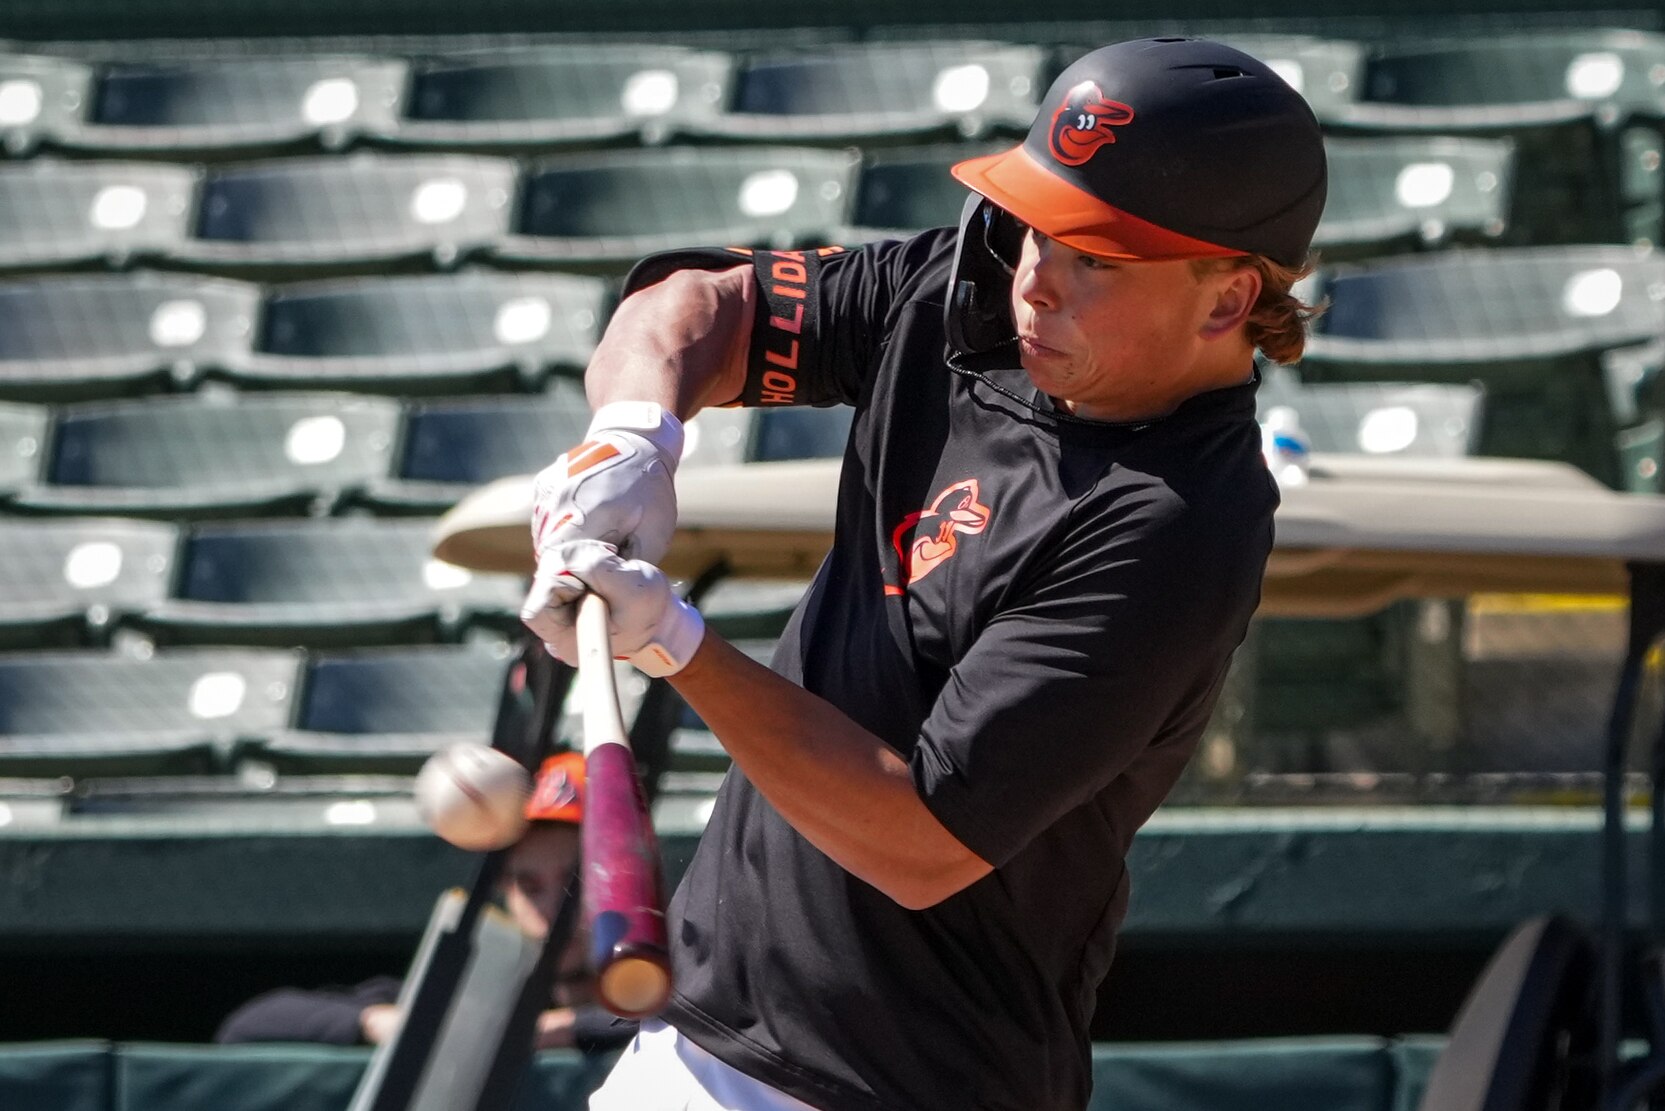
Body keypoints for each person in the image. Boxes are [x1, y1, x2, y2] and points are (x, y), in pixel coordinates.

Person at [519, 36, 1327, 1111]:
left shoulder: (1179, 521)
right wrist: (631, 431)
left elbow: (916, 839)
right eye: (1038, 224)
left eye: (1096, 257)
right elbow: (696, 306)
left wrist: (678, 646)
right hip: (703, 1038)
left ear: (1226, 299)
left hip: (899, 1082)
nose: (1037, 277)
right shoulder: (971, 292)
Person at [215, 752, 636, 1055]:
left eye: (575, 881)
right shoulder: (482, 992)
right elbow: (248, 1025)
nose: (552, 907)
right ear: (505, 893)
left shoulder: (674, 975)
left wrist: (564, 1030)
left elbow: (680, 1020)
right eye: (529, 886)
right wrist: (381, 1022)